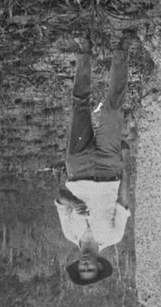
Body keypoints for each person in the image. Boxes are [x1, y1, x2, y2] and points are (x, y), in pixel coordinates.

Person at [54, 34, 135, 287]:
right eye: (91, 270)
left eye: (82, 270)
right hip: (108, 168)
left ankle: (85, 51)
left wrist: (74, 201)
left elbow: (58, 196)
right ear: (100, 265)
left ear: (77, 265)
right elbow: (123, 201)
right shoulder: (113, 236)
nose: (86, 266)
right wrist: (124, 162)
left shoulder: (70, 233)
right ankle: (121, 51)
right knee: (112, 110)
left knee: (80, 107)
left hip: (77, 168)